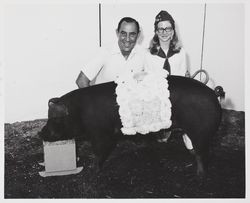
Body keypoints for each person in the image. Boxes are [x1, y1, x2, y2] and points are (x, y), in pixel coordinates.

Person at [146, 10, 193, 151]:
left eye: (168, 28)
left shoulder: (181, 52)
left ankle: (187, 134)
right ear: (156, 31)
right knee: (161, 138)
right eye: (161, 28)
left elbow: (184, 79)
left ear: (173, 31)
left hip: (176, 95)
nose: (164, 32)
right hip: (157, 96)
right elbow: (148, 79)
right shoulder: (148, 54)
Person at [76, 17, 146, 88]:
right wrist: (92, 99)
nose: (127, 39)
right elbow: (81, 80)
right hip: (105, 98)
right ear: (117, 33)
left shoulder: (144, 54)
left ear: (138, 35)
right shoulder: (105, 52)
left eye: (132, 34)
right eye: (123, 34)